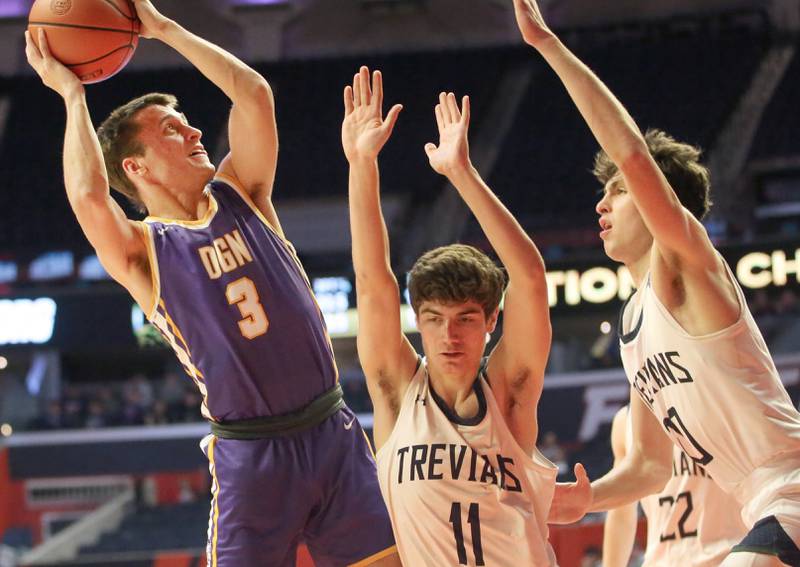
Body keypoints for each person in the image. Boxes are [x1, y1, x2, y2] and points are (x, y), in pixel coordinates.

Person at [24, 2, 399, 565]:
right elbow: (87, 197)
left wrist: (164, 29)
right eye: (173, 130)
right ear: (137, 167)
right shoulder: (145, 252)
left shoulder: (240, 192)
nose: (196, 130)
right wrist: (72, 95)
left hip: (333, 430)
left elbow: (254, 96)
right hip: (253, 457)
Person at [510, 1, 800, 564]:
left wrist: (549, 46)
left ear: (657, 203)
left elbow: (633, 153)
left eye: (618, 191)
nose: (602, 202)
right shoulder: (631, 326)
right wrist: (586, 499)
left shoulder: (687, 267)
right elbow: (649, 467)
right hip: (759, 505)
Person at [342, 65, 560, 566]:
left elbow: (528, 276)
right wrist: (361, 163)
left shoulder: (508, 395)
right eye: (435, 318)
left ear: (490, 321)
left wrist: (461, 173)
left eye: (465, 318)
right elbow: (374, 281)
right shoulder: (398, 393)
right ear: (418, 322)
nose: (449, 334)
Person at [602, 406, 747, 567]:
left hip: (726, 557)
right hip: (661, 561)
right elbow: (621, 514)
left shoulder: (719, 399)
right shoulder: (626, 420)